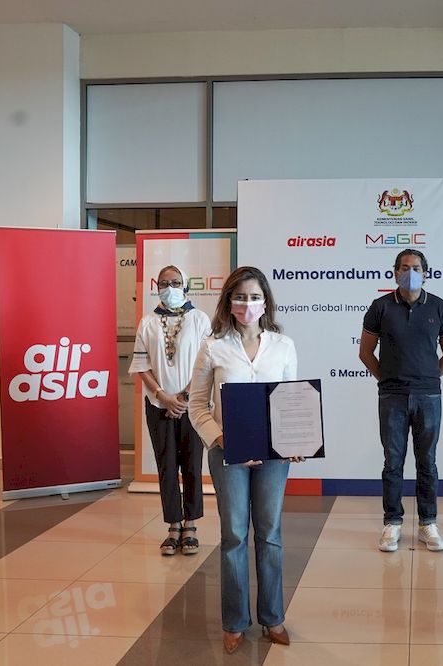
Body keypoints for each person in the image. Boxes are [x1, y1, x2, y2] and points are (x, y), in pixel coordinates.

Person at [188, 266, 303, 654]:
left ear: (265, 301)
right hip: (227, 454)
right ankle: (235, 621)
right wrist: (221, 437)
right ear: (228, 302)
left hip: (273, 458)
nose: (247, 304)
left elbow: (291, 403)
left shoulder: (283, 345)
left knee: (269, 534)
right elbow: (197, 405)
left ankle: (273, 617)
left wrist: (296, 440)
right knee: (234, 535)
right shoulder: (213, 346)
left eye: (254, 297)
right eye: (240, 297)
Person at [359, 249, 443, 553]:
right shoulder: (380, 307)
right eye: (404, 267)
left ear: (425, 272)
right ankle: (393, 523)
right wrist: (388, 380)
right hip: (392, 397)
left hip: (429, 396)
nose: (410, 272)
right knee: (393, 462)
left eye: (415, 267)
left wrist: (428, 377)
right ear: (395, 272)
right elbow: (365, 353)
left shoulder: (439, 307)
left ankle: (428, 523)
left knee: (427, 461)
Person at [129, 265, 212, 557]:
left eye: (176, 282)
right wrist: (164, 397)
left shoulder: (200, 319)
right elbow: (141, 365)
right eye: (164, 283)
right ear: (157, 287)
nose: (170, 287)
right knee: (166, 467)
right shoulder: (148, 322)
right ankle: (173, 525)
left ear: (185, 285)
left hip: (194, 405)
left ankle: (191, 524)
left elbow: (207, 364)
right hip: (158, 404)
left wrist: (185, 396)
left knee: (191, 465)